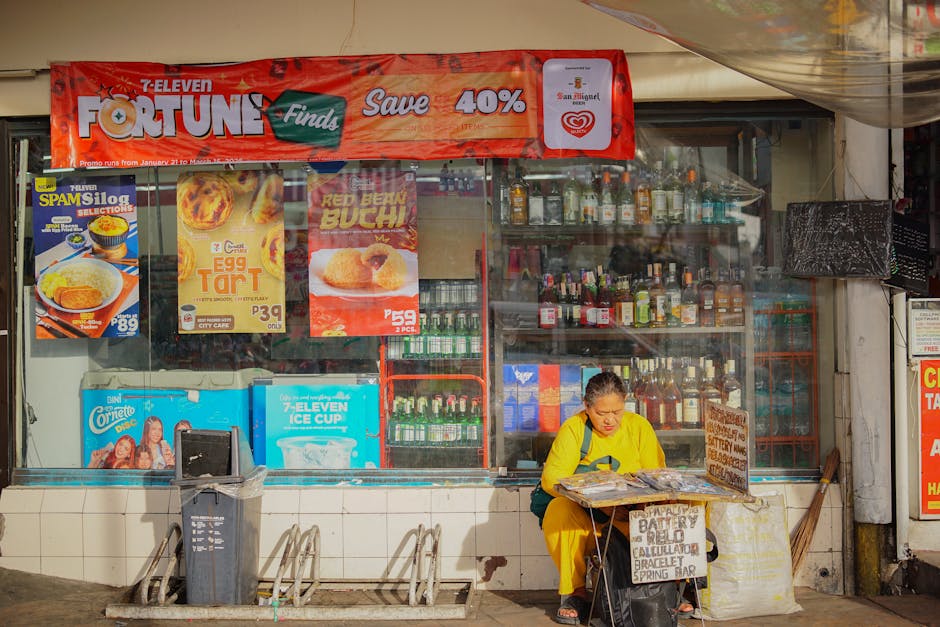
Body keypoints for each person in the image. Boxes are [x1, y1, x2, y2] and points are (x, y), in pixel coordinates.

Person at [539, 370, 667, 625]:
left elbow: (657, 477)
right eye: (601, 413)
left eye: (616, 412)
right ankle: (575, 592)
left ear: (625, 402)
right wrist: (600, 504)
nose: (610, 420)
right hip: (591, 520)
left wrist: (635, 505)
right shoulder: (574, 429)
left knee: (690, 505)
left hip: (635, 516)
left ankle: (679, 587)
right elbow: (551, 478)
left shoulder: (639, 427)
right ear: (587, 407)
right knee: (558, 510)